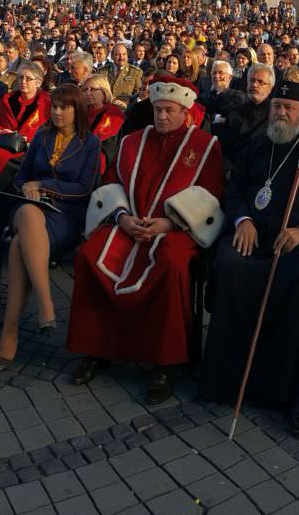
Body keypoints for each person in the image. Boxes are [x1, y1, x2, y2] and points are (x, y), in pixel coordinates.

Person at [198, 79, 299, 434]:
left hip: (297, 238)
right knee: (229, 264)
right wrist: (243, 219)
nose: (281, 113)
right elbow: (234, 189)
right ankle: (229, 378)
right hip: (256, 234)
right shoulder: (257, 144)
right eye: (276, 106)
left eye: (288, 107)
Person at [67, 74, 226, 405]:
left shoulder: (205, 145)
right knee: (89, 255)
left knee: (170, 264)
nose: (162, 116)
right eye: (157, 109)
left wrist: (169, 223)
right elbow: (112, 183)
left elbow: (212, 194)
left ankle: (164, 362)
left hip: (174, 229)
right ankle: (97, 349)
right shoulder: (131, 141)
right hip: (130, 222)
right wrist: (122, 217)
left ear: (185, 111)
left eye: (169, 110)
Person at [0, 84, 101, 370]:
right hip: (30, 208)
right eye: (54, 106)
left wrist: (44, 185)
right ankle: (45, 303)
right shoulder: (42, 136)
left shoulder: (90, 143)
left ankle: (10, 332)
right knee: (27, 212)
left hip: (65, 214)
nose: (57, 111)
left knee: (18, 247)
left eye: (64, 107)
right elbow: (20, 177)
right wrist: (29, 189)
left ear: (77, 110)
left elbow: (85, 188)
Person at [0, 60, 50, 177]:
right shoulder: (7, 100)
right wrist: (5, 132)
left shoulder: (47, 103)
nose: (23, 82)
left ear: (38, 83)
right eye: (20, 78)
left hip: (31, 149)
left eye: (28, 79)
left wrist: (26, 140)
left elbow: (49, 131)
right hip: (5, 143)